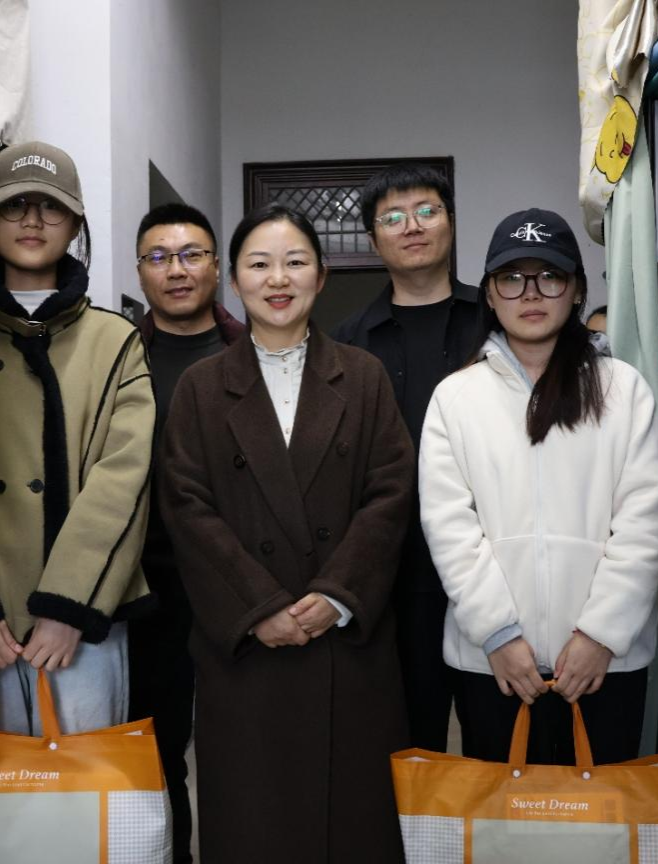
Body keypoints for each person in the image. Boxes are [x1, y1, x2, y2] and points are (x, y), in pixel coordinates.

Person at [161, 204, 413, 862]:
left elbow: (390, 495)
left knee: (353, 829)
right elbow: (187, 508)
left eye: (295, 262)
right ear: (233, 280)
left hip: (345, 645)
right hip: (248, 652)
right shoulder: (200, 388)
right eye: (260, 264)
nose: (279, 279)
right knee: (257, 825)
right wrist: (260, 606)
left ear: (321, 276)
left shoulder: (363, 376)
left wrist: (336, 594)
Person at [0, 141, 155, 735]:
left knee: (86, 788)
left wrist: (69, 607)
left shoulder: (115, 341)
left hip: (80, 623)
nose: (33, 221)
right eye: (15, 205)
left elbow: (123, 483)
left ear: (75, 223)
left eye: (52, 206)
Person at [419, 208, 658, 765]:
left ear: (576, 289)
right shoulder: (455, 398)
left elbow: (647, 522)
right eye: (511, 278)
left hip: (605, 664)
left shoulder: (624, 390)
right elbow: (450, 528)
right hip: (493, 665)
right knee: (504, 815)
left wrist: (600, 635)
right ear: (490, 294)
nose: (530, 293)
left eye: (550, 276)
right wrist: (498, 635)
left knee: (602, 812)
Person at [333, 163, 479, 752]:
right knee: (411, 747)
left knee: (502, 742)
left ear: (451, 222)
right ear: (374, 241)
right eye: (392, 217)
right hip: (394, 576)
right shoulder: (347, 342)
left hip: (493, 564)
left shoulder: (496, 322)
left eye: (426, 211)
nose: (412, 226)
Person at [129, 202, 244, 864]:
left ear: (217, 267)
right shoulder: (119, 356)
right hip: (146, 589)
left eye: (191, 254)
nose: (176, 270)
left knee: (243, 745)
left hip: (238, 583)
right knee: (155, 748)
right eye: (159, 257)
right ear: (140, 271)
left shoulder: (251, 351)